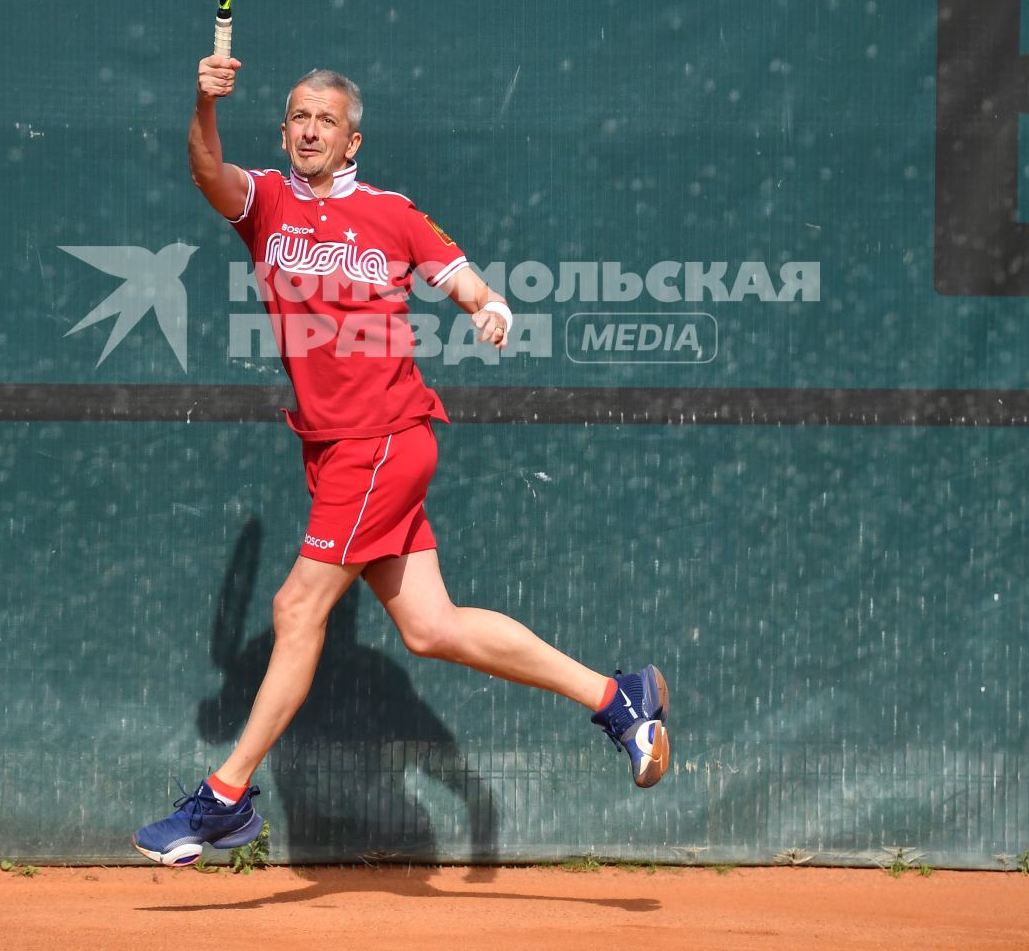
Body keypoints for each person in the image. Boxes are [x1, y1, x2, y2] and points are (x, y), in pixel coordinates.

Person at [132, 55, 670, 867]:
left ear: (351, 142)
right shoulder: (266, 205)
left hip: (382, 438)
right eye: (297, 118)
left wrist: (490, 308)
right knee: (430, 627)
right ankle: (617, 698)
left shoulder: (391, 214)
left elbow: (464, 280)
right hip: (339, 449)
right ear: (283, 133)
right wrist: (204, 105)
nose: (310, 129)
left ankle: (226, 798)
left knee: (295, 609)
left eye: (326, 121)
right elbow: (206, 166)